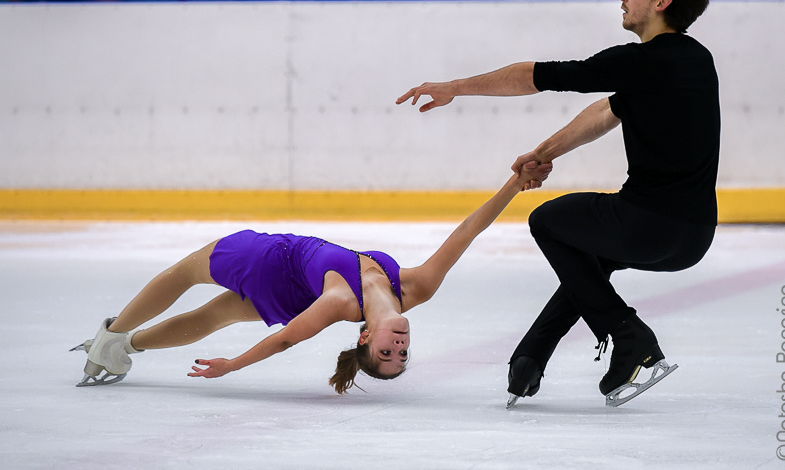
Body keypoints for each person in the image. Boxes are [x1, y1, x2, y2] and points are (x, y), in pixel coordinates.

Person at [397, 0, 719, 407]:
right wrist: (543, 154)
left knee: (548, 221)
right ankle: (531, 357)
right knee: (588, 257)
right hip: (694, 236)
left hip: (648, 223)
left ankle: (630, 337)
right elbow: (607, 113)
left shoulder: (639, 61)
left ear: (662, 2)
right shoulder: (695, 61)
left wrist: (457, 87)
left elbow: (535, 76)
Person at [71, 162, 552, 393]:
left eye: (386, 353)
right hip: (292, 292)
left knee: (185, 273)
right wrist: (515, 183)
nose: (399, 345)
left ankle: (112, 337)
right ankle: (123, 347)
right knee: (212, 315)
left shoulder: (342, 303)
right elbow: (468, 231)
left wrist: (232, 367)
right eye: (403, 353)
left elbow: (285, 341)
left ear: (365, 335)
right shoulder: (416, 288)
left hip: (266, 260)